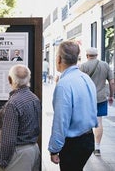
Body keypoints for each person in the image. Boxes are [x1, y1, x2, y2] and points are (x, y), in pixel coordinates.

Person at [48, 41, 98, 171]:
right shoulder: (86, 78)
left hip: (74, 143)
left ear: (59, 59)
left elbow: (61, 121)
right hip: (88, 138)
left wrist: (54, 149)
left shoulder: (64, 84)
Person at [0, 64, 41, 171]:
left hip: (19, 154)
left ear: (10, 79)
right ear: (28, 79)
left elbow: (8, 139)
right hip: (33, 150)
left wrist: (2, 162)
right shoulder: (34, 98)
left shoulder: (13, 104)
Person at [79, 47, 114, 156]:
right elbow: (112, 82)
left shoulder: (83, 66)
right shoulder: (105, 65)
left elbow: (79, 83)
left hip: (87, 98)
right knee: (99, 122)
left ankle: (86, 145)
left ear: (87, 55)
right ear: (97, 55)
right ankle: (97, 148)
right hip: (101, 98)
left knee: (86, 121)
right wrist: (111, 96)